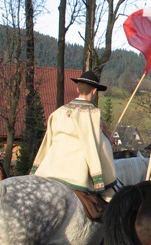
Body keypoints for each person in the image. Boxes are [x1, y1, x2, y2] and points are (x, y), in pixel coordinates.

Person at [31, 71, 117, 219]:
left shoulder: (58, 112)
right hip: (76, 174)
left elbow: (47, 142)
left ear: (77, 89)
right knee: (113, 205)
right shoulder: (93, 114)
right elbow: (101, 148)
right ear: (95, 91)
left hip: (49, 170)